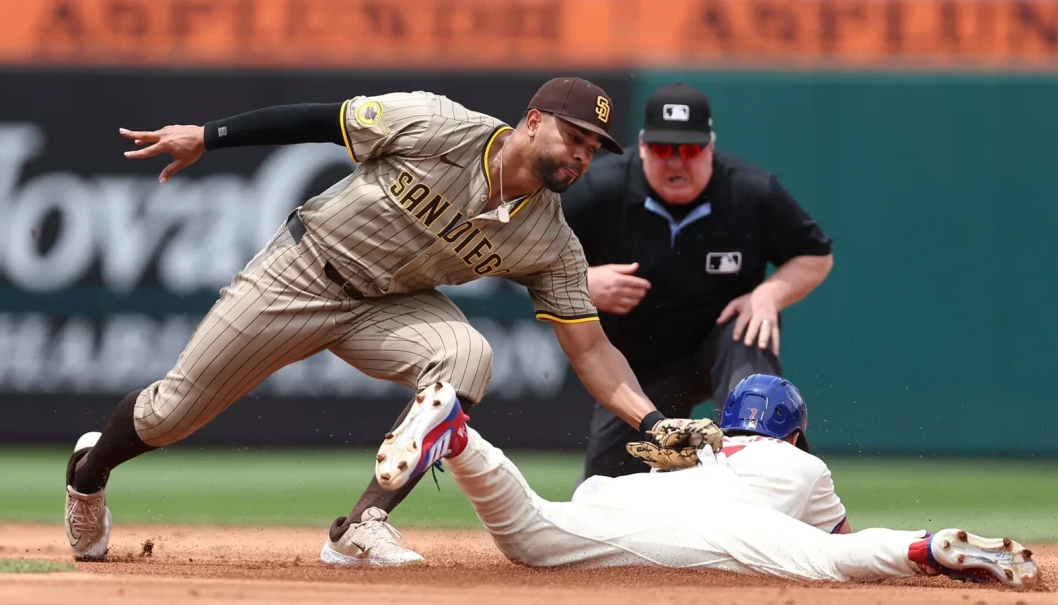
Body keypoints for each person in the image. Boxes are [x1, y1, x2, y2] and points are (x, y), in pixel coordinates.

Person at [61, 78, 724, 566]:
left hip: (390, 305)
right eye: (572, 136)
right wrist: (208, 136)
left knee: (469, 357)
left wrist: (651, 421)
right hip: (304, 268)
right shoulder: (439, 123)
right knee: (170, 414)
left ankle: (361, 523)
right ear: (532, 121)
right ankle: (87, 474)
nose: (581, 155)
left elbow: (592, 351)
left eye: (592, 147)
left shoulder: (550, 240)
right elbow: (322, 118)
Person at [375, 378, 1038, 589]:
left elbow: (592, 495)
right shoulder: (804, 465)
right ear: (796, 432)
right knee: (835, 561)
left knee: (531, 529)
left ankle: (461, 436)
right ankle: (924, 548)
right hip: (739, 529)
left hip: (629, 501)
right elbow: (833, 538)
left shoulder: (696, 445)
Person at [559, 82, 834, 482]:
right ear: (641, 147)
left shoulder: (749, 190)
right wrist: (582, 281)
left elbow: (815, 255)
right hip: (638, 364)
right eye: (662, 149)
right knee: (603, 496)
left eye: (688, 150)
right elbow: (526, 256)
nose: (676, 163)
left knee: (750, 330)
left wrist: (769, 294)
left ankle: (763, 470)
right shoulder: (600, 190)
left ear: (709, 147)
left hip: (723, 347)